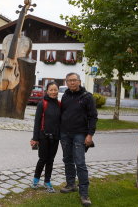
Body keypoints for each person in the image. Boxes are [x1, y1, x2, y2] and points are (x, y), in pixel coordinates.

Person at [59, 73, 98, 207]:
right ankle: (71, 184)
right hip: (65, 134)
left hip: (80, 134)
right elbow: (62, 113)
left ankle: (84, 194)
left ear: (79, 81)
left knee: (80, 162)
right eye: (69, 81)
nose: (72, 83)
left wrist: (90, 135)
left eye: (74, 80)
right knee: (67, 160)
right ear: (66, 82)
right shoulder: (65, 96)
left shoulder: (87, 97)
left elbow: (93, 117)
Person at [30, 82, 61, 193]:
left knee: (51, 160)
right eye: (51, 90)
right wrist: (35, 138)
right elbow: (37, 122)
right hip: (43, 136)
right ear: (47, 91)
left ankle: (47, 181)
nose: (53, 92)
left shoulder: (59, 104)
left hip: (55, 137)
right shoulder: (42, 103)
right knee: (42, 159)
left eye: (55, 90)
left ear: (58, 91)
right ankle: (35, 180)